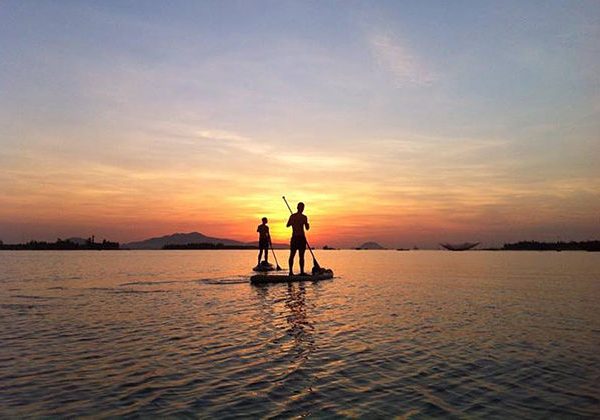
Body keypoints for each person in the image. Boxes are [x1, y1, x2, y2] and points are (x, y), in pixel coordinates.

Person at [287, 202, 309, 275]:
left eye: (303, 208)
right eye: (300, 207)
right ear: (297, 207)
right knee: (292, 255)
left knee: (301, 256)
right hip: (295, 238)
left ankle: (302, 271)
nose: (302, 209)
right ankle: (290, 272)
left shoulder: (304, 217)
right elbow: (287, 225)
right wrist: (293, 221)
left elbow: (307, 228)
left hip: (302, 238)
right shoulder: (293, 216)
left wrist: (306, 224)